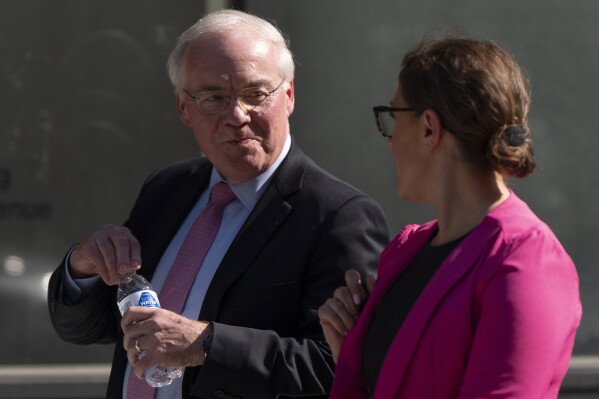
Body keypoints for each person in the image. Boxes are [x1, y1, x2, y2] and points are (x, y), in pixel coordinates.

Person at [47, 9, 389, 399]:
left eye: (255, 94)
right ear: (183, 108)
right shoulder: (168, 190)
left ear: (289, 95)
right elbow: (87, 329)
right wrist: (83, 270)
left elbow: (340, 370)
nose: (237, 115)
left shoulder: (338, 216)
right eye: (213, 97)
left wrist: (205, 343)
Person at [318, 36, 582, 398]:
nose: (389, 140)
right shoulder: (405, 250)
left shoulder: (525, 260)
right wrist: (355, 353)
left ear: (429, 128)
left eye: (393, 116)